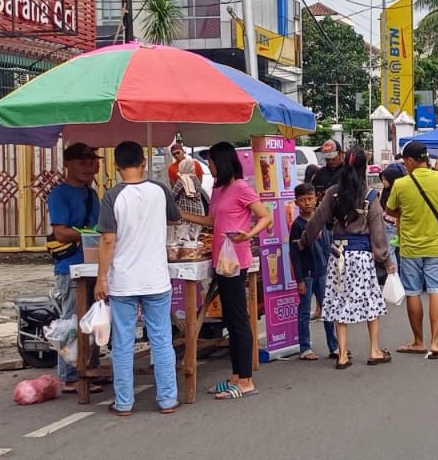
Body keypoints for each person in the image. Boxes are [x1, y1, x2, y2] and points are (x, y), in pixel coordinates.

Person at [94, 141, 181, 416]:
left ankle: (124, 403)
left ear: (117, 166)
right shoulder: (160, 191)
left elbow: (108, 239)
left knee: (123, 343)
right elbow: (174, 220)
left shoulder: (112, 196)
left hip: (124, 281)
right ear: (143, 162)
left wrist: (101, 278)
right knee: (161, 339)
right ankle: (167, 399)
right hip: (156, 277)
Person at [299, 148, 396, 369]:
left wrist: (304, 241)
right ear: (364, 167)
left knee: (338, 302)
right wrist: (386, 261)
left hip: (338, 255)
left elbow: (316, 221)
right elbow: (378, 233)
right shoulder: (370, 195)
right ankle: (374, 350)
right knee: (371, 301)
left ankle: (342, 355)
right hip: (361, 257)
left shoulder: (333, 193)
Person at [199, 141, 275, 399]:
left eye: (210, 161)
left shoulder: (241, 188)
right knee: (230, 319)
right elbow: (212, 221)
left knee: (239, 320)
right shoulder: (218, 189)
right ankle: (235, 375)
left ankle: (245, 380)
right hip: (220, 260)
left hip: (235, 261)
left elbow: (265, 216)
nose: (208, 166)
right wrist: (180, 216)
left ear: (220, 162)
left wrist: (248, 235)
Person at [388, 140, 438, 359]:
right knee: (437, 290)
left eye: (404, 161)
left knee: (413, 292)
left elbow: (390, 210)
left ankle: (418, 341)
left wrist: (406, 215)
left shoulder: (401, 184)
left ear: (409, 160)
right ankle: (436, 342)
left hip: (410, 247)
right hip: (437, 246)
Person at [46, 142, 101, 394]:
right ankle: (69, 375)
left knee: (96, 319)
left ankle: (91, 369)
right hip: (70, 267)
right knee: (72, 320)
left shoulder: (92, 194)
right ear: (67, 164)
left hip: (93, 264)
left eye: (91, 162)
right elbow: (61, 231)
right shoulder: (59, 194)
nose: (89, 167)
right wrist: (87, 234)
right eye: (82, 163)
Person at [289, 183, 335, 360]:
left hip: (323, 272)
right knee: (304, 310)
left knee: (328, 308)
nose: (307, 203)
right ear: (296, 202)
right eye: (303, 200)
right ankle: (305, 348)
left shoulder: (321, 220)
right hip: (306, 275)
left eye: (310, 198)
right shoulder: (297, 226)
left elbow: (327, 245)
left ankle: (334, 345)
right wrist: (299, 279)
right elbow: (295, 254)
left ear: (316, 198)